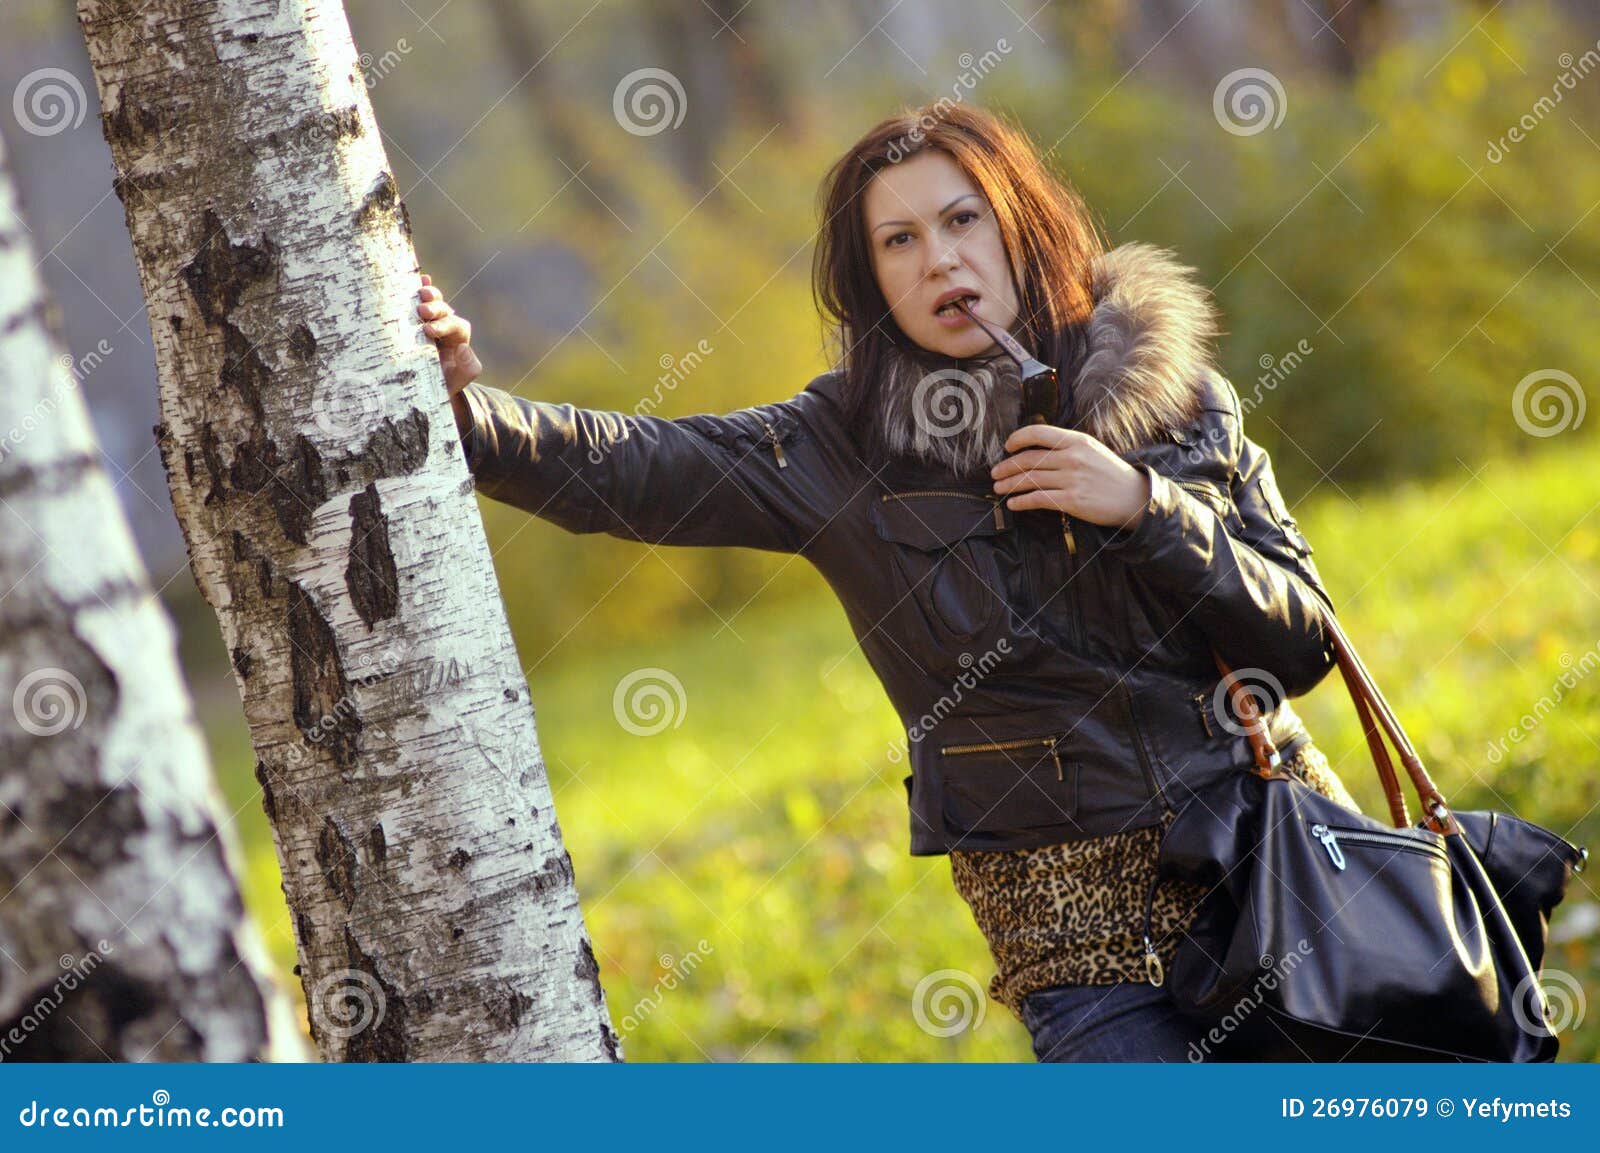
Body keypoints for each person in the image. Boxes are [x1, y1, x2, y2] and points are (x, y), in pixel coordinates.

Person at [413, 102, 1360, 1062]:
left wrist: (1147, 507)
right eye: (898, 241)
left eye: (961, 221)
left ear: (1017, 224)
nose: (939, 261)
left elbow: (1303, 642)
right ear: (872, 280)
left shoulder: (1174, 398)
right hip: (1085, 956)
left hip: (1283, 878)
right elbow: (637, 466)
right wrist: (462, 409)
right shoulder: (838, 447)